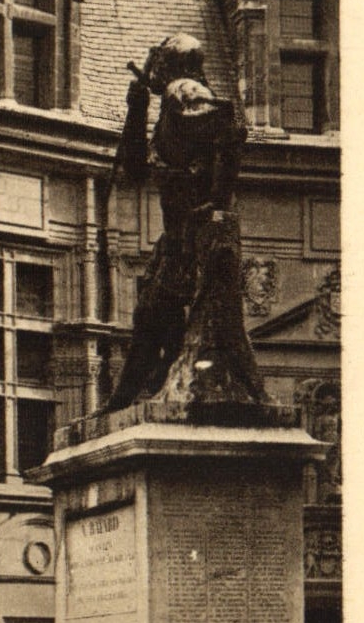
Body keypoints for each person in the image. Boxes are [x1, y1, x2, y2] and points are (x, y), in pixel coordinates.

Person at [106, 34, 264, 413]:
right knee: (153, 312)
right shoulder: (169, 102)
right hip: (180, 236)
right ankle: (127, 398)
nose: (153, 68)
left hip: (197, 236)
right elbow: (134, 166)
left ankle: (126, 399)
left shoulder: (184, 90)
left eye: (158, 61)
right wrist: (137, 105)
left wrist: (216, 200)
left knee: (172, 316)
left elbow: (231, 123)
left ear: (174, 64)